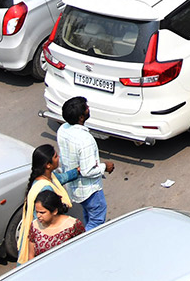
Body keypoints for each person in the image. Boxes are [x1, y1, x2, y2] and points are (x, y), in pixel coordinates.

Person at [56, 96, 115, 230]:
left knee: (88, 213)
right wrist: (105, 166)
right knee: (96, 220)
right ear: (81, 117)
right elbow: (87, 170)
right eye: (86, 108)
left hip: (74, 188)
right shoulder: (85, 140)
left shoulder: (63, 130)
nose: (89, 109)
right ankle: (85, 242)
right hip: (90, 190)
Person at [17, 144, 72, 263]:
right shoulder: (44, 189)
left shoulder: (46, 177)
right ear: (48, 165)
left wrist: (77, 172)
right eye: (56, 156)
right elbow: (41, 221)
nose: (59, 158)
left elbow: (61, 178)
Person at [26, 190, 83, 260]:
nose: (38, 216)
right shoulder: (35, 226)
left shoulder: (73, 225)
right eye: (37, 212)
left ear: (55, 211)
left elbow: (82, 250)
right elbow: (31, 255)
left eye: (42, 212)